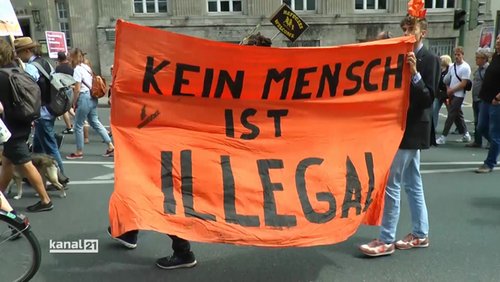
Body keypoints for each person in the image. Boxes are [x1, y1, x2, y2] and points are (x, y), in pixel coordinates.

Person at [359, 11, 440, 256]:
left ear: (422, 33)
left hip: (412, 128)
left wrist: (414, 73)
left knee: (393, 184)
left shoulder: (429, 59)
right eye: (403, 29)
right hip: (398, 126)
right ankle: (420, 233)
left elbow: (428, 98)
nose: (406, 34)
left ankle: (386, 239)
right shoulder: (399, 55)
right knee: (413, 183)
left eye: (410, 30)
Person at [0, 38, 53, 212]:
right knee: (7, 161)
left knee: (25, 163)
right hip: (22, 120)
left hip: (10, 127)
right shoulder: (17, 70)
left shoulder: (1, 75)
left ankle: (45, 200)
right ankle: (1, 194)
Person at [14, 37, 69, 185]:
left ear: (27, 51)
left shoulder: (32, 67)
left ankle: (60, 177)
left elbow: (26, 89)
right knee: (38, 146)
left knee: (50, 146)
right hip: (49, 108)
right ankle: (33, 175)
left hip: (42, 110)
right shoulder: (45, 62)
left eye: (19, 52)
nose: (17, 56)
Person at [66, 48, 114, 159]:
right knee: (95, 121)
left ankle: (79, 151)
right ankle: (110, 145)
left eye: (69, 56)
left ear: (73, 57)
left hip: (84, 97)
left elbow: (77, 89)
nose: (68, 58)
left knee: (78, 125)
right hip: (92, 96)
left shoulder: (77, 69)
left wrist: (74, 102)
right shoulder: (86, 67)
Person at [435, 47, 472, 144]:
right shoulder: (452, 66)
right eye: (455, 54)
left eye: (458, 54)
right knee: (458, 115)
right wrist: (448, 89)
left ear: (462, 55)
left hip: (459, 95)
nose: (456, 56)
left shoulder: (465, 67)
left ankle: (443, 137)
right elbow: (446, 80)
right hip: (451, 93)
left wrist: (451, 90)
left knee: (451, 115)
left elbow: (463, 84)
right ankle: (466, 134)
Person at [475, 34, 500, 173]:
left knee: (495, 133)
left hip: (496, 102)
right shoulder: (496, 56)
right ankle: (496, 145)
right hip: (485, 99)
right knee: (481, 127)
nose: (497, 42)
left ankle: (489, 163)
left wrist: (498, 98)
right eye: (497, 39)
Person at [466, 48, 490, 148]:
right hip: (475, 98)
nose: (476, 60)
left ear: (484, 59)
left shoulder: (487, 70)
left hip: (482, 99)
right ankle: (477, 141)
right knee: (477, 121)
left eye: (478, 58)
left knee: (483, 122)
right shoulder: (478, 70)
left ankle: (491, 140)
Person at [55, 51, 75, 135]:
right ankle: (79, 121)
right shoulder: (71, 66)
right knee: (70, 107)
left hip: (64, 89)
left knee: (65, 109)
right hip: (73, 87)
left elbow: (56, 79)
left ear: (58, 58)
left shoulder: (58, 68)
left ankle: (69, 127)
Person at [432, 55, 452, 131]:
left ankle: (459, 127)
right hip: (439, 94)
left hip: (446, 94)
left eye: (441, 59)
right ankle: (433, 128)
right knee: (434, 110)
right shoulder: (439, 70)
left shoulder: (449, 70)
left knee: (451, 112)